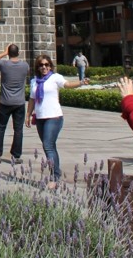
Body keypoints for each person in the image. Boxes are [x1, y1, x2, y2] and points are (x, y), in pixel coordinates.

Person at [25, 53, 87, 188]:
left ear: (50, 66)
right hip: (40, 118)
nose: (44, 67)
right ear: (37, 67)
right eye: (41, 65)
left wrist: (80, 82)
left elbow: (68, 84)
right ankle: (56, 173)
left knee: (48, 145)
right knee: (50, 146)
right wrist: (28, 115)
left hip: (54, 117)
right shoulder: (35, 81)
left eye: (46, 65)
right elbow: (32, 99)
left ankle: (55, 176)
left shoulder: (55, 78)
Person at [0, 43, 30, 162]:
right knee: (18, 130)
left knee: (0, 128)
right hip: (19, 103)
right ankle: (16, 156)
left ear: (9, 52)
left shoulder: (4, 64)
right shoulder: (24, 65)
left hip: (5, 102)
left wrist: (4, 53)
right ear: (18, 52)